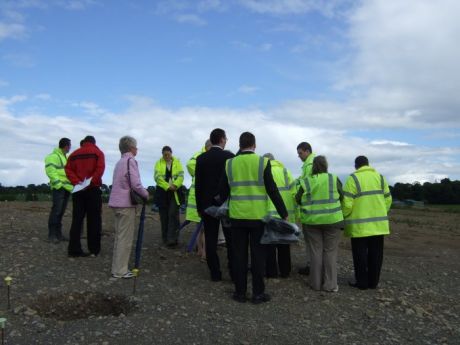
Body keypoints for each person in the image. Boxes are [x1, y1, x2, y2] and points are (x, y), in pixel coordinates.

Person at [220, 132, 288, 304]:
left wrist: (218, 207)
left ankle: (240, 293)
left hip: (237, 217)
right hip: (258, 218)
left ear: (240, 145)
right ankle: (258, 294)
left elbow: (223, 192)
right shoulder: (263, 163)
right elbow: (272, 190)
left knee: (239, 256)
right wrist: (283, 213)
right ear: (254, 145)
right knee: (258, 257)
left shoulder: (229, 164)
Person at [342, 156, 392, 290]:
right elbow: (388, 200)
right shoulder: (380, 178)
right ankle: (373, 282)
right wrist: (381, 212)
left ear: (356, 166)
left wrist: (345, 216)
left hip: (359, 227)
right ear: (368, 164)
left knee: (360, 255)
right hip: (378, 226)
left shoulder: (353, 179)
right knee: (376, 255)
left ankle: (362, 283)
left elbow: (347, 203)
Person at [296, 155, 344, 292]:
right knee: (330, 252)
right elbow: (342, 196)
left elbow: (298, 199)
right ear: (326, 165)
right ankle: (330, 285)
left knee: (315, 252)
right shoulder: (333, 178)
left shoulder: (306, 181)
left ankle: (315, 284)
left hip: (312, 221)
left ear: (313, 167)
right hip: (333, 220)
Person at [195, 129, 235, 281]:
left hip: (206, 205)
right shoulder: (230, 157)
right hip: (226, 205)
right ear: (222, 140)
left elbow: (198, 185)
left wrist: (199, 207)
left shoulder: (201, 158)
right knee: (231, 240)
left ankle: (215, 273)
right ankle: (233, 271)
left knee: (210, 239)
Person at [108, 136, 149, 278]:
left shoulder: (120, 162)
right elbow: (135, 184)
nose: (136, 149)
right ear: (132, 148)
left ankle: (117, 268)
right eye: (136, 147)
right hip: (126, 204)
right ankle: (120, 270)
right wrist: (146, 194)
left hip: (116, 203)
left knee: (119, 237)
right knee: (125, 238)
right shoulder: (131, 161)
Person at [65, 135, 105, 257]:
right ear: (94, 142)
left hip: (78, 190)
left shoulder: (74, 154)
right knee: (94, 220)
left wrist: (77, 181)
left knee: (77, 220)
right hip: (93, 189)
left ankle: (74, 249)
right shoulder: (98, 153)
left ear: (84, 142)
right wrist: (91, 181)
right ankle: (94, 249)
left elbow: (68, 170)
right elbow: (100, 169)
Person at [263, 153, 297, 278]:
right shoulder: (285, 171)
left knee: (269, 244)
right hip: (284, 214)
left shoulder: (262, 172)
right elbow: (294, 193)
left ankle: (271, 272)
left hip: (268, 213)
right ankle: (285, 271)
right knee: (284, 244)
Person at [185, 139, 212, 260]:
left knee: (200, 228)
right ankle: (204, 252)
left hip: (196, 196)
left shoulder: (197, 156)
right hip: (203, 197)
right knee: (205, 228)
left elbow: (190, 165)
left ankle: (200, 250)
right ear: (208, 146)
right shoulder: (203, 156)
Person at [154, 146, 184, 247]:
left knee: (173, 214)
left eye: (168, 154)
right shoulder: (158, 163)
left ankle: (173, 239)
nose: (166, 156)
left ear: (171, 153)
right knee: (164, 216)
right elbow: (157, 178)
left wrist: (175, 185)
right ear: (162, 154)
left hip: (175, 192)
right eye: (164, 154)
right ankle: (165, 238)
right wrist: (167, 186)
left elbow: (181, 176)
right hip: (162, 193)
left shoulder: (177, 163)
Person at [44, 138, 73, 243]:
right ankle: (52, 235)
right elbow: (50, 171)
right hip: (59, 188)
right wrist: (58, 185)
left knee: (60, 212)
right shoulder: (53, 157)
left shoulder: (64, 157)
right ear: (66, 146)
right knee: (56, 211)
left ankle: (58, 234)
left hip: (66, 188)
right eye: (69, 145)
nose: (70, 147)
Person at [296, 141, 315, 275]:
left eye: (300, 153)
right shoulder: (309, 164)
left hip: (311, 209)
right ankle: (313, 266)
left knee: (312, 242)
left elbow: (306, 185)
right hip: (313, 208)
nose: (299, 156)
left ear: (307, 151)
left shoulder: (310, 164)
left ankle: (312, 267)